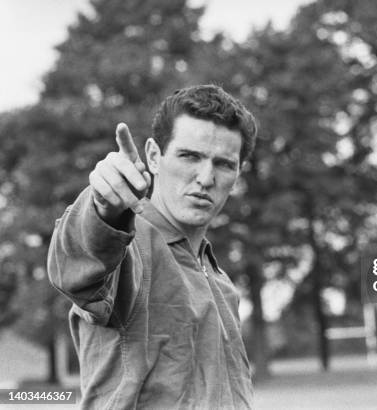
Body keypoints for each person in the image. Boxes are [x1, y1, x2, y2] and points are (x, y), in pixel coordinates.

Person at [47, 85, 257, 409]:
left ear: (238, 172)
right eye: (190, 156)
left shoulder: (222, 283)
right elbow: (75, 266)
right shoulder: (128, 250)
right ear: (155, 157)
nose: (205, 177)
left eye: (224, 164)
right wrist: (102, 208)